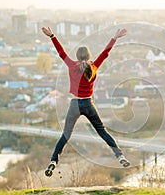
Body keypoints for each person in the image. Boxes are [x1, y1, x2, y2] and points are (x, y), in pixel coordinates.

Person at [41, 27, 130, 177]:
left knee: (66, 134)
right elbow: (105, 53)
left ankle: (53, 162)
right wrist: (114, 37)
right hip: (88, 104)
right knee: (102, 131)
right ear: (88, 56)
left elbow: (61, 53)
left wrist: (52, 36)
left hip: (75, 105)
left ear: (77, 56)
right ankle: (120, 156)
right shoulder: (93, 67)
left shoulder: (72, 65)